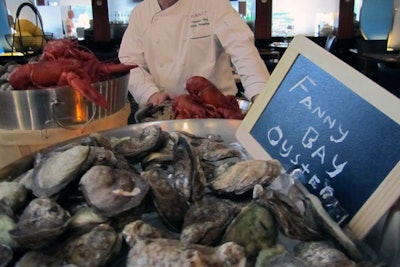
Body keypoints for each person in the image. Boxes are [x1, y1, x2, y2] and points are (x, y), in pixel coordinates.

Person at [118, 0, 270, 108]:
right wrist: (149, 93)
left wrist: (260, 94)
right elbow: (129, 61)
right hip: (167, 110)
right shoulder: (140, 13)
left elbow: (242, 48)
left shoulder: (214, 4)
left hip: (217, 111)